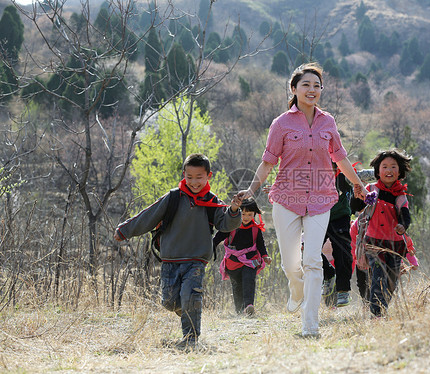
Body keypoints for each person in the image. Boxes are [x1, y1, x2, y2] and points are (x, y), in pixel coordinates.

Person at [237, 63, 367, 338]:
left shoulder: (328, 122)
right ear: (294, 89)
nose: (312, 90)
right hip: (286, 199)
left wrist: (358, 184)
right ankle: (296, 291)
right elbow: (268, 161)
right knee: (291, 264)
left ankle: (311, 325)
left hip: (321, 199)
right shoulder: (282, 123)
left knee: (313, 261)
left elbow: (340, 157)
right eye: (306, 85)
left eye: (317, 86)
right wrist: (251, 190)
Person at [114, 153, 242, 348]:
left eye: (199, 177)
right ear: (184, 174)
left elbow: (225, 225)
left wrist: (233, 210)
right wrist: (124, 230)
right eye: (189, 177)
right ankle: (190, 311)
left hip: (197, 260)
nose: (194, 182)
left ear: (209, 175)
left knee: (191, 296)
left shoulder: (211, 200)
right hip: (171, 259)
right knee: (170, 302)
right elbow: (148, 215)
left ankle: (191, 338)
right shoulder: (173, 197)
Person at [351, 149, 414, 318]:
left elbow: (405, 216)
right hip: (373, 244)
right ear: (377, 171)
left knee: (391, 283)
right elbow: (356, 208)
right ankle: (377, 315)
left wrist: (402, 226)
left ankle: (381, 308)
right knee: (378, 276)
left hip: (395, 246)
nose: (389, 170)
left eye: (393, 166)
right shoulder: (371, 190)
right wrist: (357, 197)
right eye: (384, 166)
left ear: (399, 171)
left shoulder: (400, 195)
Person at [213, 198, 272, 316]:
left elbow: (260, 244)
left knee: (249, 280)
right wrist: (209, 248)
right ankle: (239, 311)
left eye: (249, 214)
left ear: (255, 214)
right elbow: (217, 238)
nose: (246, 217)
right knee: (237, 285)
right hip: (233, 261)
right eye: (243, 214)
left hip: (251, 260)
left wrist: (265, 256)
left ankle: (249, 306)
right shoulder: (231, 226)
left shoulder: (256, 229)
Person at [321, 163, 355, 308]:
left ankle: (342, 290)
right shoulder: (313, 178)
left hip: (340, 216)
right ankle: (328, 273)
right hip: (318, 216)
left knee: (342, 251)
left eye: (333, 167)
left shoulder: (344, 177)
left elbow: (364, 175)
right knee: (310, 250)